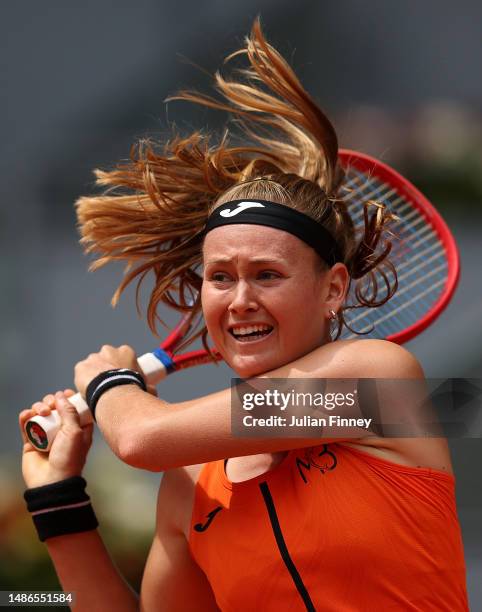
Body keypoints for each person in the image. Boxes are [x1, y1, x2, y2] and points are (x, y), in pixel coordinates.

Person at [19, 19, 468, 611]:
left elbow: (140, 436)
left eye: (268, 275)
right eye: (220, 277)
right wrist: (59, 503)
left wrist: (109, 383)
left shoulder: (377, 381)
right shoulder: (190, 481)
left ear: (333, 289)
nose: (239, 301)